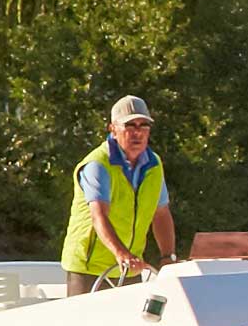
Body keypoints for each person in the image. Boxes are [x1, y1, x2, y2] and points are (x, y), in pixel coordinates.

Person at [65, 94, 180, 285]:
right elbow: (99, 216)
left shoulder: (154, 164)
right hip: (88, 268)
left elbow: (161, 214)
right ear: (113, 129)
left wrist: (168, 257)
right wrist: (122, 254)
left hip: (129, 267)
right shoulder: (98, 164)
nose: (138, 132)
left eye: (144, 125)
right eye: (130, 126)